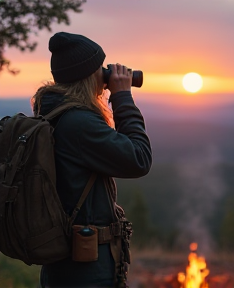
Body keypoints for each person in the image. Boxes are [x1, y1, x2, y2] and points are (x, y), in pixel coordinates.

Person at [31, 32, 152, 288]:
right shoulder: (78, 123)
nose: (105, 74)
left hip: (66, 267)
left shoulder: (52, 114)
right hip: (86, 271)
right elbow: (139, 159)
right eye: (100, 68)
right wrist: (122, 97)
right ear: (87, 76)